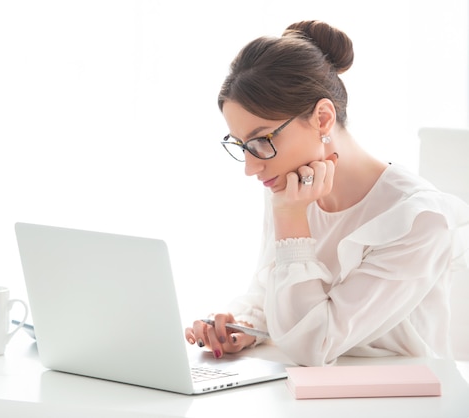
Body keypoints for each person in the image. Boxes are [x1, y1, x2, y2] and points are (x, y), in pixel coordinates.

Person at [185, 20, 469, 367]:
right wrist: (245, 325)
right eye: (242, 145)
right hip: (303, 395)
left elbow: (313, 345)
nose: (250, 166)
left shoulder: (419, 219)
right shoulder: (292, 189)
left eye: (262, 141)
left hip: (398, 400)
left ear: (322, 117)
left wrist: (291, 219)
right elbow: (269, 293)